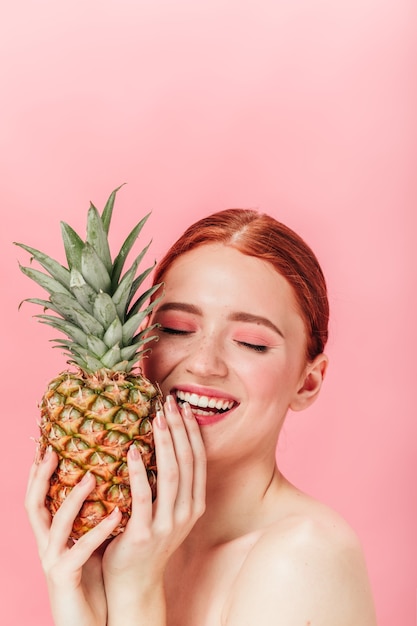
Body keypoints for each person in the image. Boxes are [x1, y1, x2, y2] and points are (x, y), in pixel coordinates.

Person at [26, 208, 377, 626]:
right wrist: (75, 604)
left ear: (308, 383)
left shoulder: (305, 557)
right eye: (175, 329)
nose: (205, 365)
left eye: (251, 342)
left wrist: (135, 596)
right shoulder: (122, 547)